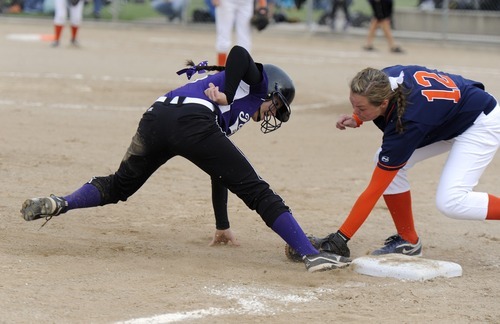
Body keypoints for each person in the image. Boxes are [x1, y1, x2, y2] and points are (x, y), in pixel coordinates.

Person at [20, 45, 350, 273]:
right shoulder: (254, 84)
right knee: (258, 192)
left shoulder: (233, 112)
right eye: (276, 104)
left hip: (156, 115)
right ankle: (311, 254)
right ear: (270, 89)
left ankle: (60, 202)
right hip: (194, 119)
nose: (272, 113)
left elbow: (219, 172)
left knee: (120, 185)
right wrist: (229, 93)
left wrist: (222, 225)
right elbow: (239, 54)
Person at [287, 64, 499, 260]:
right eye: (354, 105)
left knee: (452, 202)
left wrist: (340, 238)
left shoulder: (407, 121)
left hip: (479, 123)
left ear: (384, 103)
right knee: (386, 161)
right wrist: (359, 117)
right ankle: (408, 240)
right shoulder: (382, 80)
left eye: (361, 109)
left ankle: (408, 239)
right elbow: (376, 103)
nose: (355, 110)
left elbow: (375, 190)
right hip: (447, 117)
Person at [212, 0, 268, 66]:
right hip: (226, 2)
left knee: (245, 39)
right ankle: (220, 68)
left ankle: (243, 70)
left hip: (246, 3)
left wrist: (262, 5)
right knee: (223, 36)